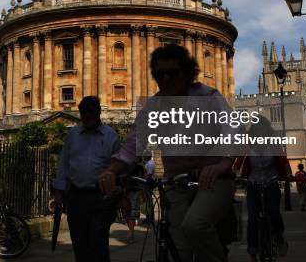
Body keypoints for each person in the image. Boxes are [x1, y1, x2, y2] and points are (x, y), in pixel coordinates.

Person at [99, 44, 235, 262]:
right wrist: (111, 171)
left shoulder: (209, 97)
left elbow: (232, 130)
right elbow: (133, 145)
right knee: (176, 247)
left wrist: (224, 163)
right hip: (176, 183)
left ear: (188, 73)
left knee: (195, 225)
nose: (165, 79)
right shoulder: (153, 106)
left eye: (172, 73)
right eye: (159, 74)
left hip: (213, 178)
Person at [53, 96, 121, 262]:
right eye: (84, 112)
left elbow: (119, 168)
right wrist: (59, 192)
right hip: (76, 196)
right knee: (79, 242)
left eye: (91, 112)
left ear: (98, 112)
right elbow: (64, 164)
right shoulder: (73, 135)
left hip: (101, 197)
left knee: (98, 241)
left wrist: (120, 196)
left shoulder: (111, 136)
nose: (87, 116)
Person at [234, 116, 291, 262]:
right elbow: (238, 160)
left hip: (271, 183)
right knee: (252, 217)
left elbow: (283, 160)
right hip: (253, 184)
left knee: (273, 211)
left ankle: (278, 238)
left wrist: (288, 174)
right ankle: (252, 252)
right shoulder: (247, 144)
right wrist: (234, 173)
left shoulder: (273, 144)